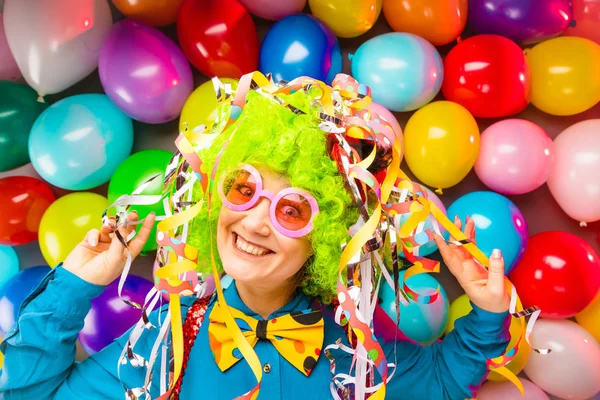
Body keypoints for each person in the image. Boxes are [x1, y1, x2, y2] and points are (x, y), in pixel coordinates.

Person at [0, 73, 512, 400]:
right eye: (243, 189)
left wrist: (488, 312)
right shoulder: (161, 348)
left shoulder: (353, 357)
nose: (255, 222)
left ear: (328, 239)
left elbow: (447, 381)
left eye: (292, 210)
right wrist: (74, 285)